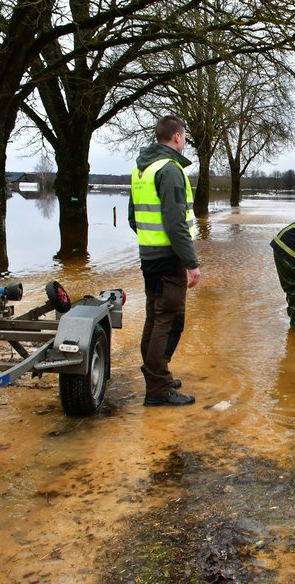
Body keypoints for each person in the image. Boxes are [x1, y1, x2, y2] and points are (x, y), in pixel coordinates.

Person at [128, 115, 201, 406]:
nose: (184, 141)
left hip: (149, 256)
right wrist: (192, 263)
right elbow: (175, 224)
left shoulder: (141, 169)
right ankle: (158, 388)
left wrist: (150, 241)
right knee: (169, 321)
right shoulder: (170, 170)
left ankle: (156, 376)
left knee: (155, 318)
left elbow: (134, 217)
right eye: (184, 136)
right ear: (177, 137)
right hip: (169, 259)